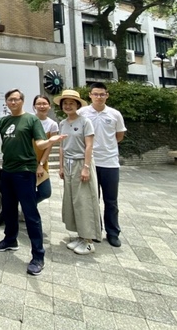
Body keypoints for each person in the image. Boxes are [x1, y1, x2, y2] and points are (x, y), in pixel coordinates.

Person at [0, 89, 66, 276]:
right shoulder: (4, 121)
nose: (13, 102)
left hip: (25, 172)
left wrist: (51, 141)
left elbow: (40, 143)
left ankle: (38, 256)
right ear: (6, 102)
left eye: (16, 99)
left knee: (31, 214)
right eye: (10, 99)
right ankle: (10, 240)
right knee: (8, 209)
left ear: (22, 101)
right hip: (7, 171)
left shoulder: (31, 120)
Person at [78, 82, 126, 247]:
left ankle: (113, 233)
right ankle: (95, 231)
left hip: (110, 162)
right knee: (92, 199)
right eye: (95, 94)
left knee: (111, 201)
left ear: (107, 95)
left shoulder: (115, 114)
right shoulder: (82, 113)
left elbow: (119, 136)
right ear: (90, 95)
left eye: (102, 94)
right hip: (89, 163)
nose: (99, 97)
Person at [54, 89, 101, 255]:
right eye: (65, 103)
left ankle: (89, 241)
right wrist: (60, 167)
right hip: (67, 164)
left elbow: (89, 145)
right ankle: (80, 236)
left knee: (84, 201)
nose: (68, 106)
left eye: (71, 103)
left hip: (81, 163)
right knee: (72, 200)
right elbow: (61, 147)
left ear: (78, 105)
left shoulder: (85, 122)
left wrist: (86, 167)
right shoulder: (62, 123)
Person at [32, 95, 59, 203]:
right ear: (34, 106)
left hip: (41, 162)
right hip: (27, 162)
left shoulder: (53, 125)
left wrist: (41, 164)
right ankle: (27, 211)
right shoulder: (30, 120)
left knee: (45, 192)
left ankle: (27, 208)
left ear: (49, 106)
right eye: (38, 104)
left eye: (44, 104)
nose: (41, 106)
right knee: (27, 190)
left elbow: (49, 147)